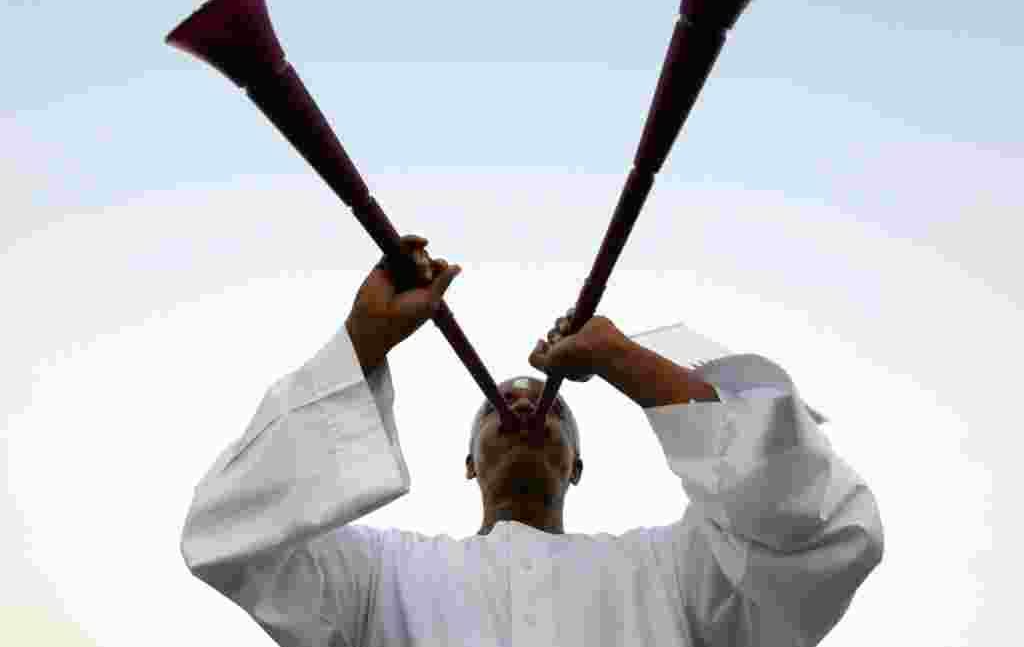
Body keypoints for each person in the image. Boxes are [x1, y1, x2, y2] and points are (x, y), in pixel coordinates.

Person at [181, 234, 883, 647]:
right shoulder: (379, 579)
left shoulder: (670, 572)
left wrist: (627, 362)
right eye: (495, 407)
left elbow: (827, 537)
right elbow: (228, 536)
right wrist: (360, 344)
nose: (520, 400)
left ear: (577, 465)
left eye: (550, 407)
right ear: (466, 463)